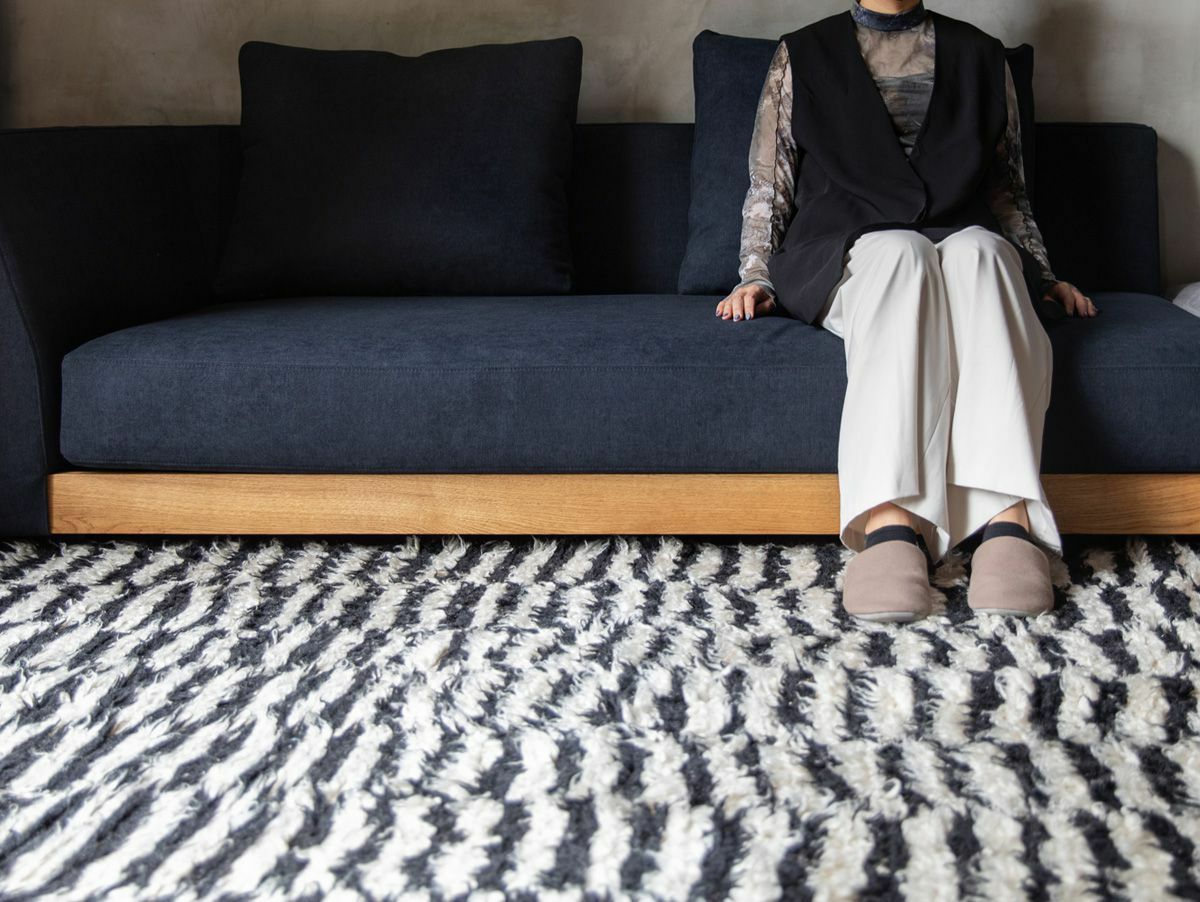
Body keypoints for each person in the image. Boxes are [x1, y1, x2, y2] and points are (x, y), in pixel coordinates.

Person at [715, 0, 1098, 622]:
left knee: (982, 254)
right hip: (846, 248)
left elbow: (1008, 190)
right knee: (902, 253)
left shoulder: (982, 54)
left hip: (961, 238)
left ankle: (1009, 521)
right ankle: (889, 524)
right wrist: (754, 275)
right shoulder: (802, 53)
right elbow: (771, 181)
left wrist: (1044, 276)